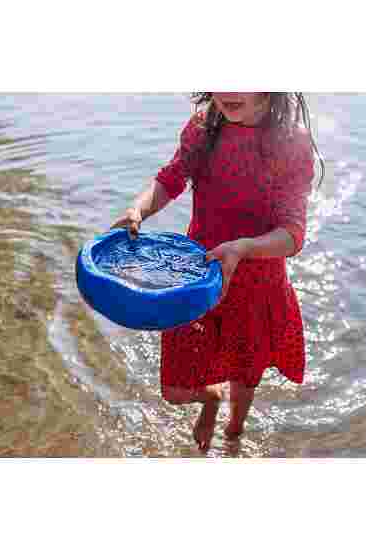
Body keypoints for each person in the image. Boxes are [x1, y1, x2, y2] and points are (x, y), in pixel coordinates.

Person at [111, 93, 324, 452]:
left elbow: (293, 233)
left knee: (245, 376)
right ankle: (210, 397)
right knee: (175, 391)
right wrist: (138, 209)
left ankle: (234, 435)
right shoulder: (202, 129)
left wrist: (243, 248)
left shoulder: (290, 141)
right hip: (198, 276)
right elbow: (170, 179)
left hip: (257, 283)